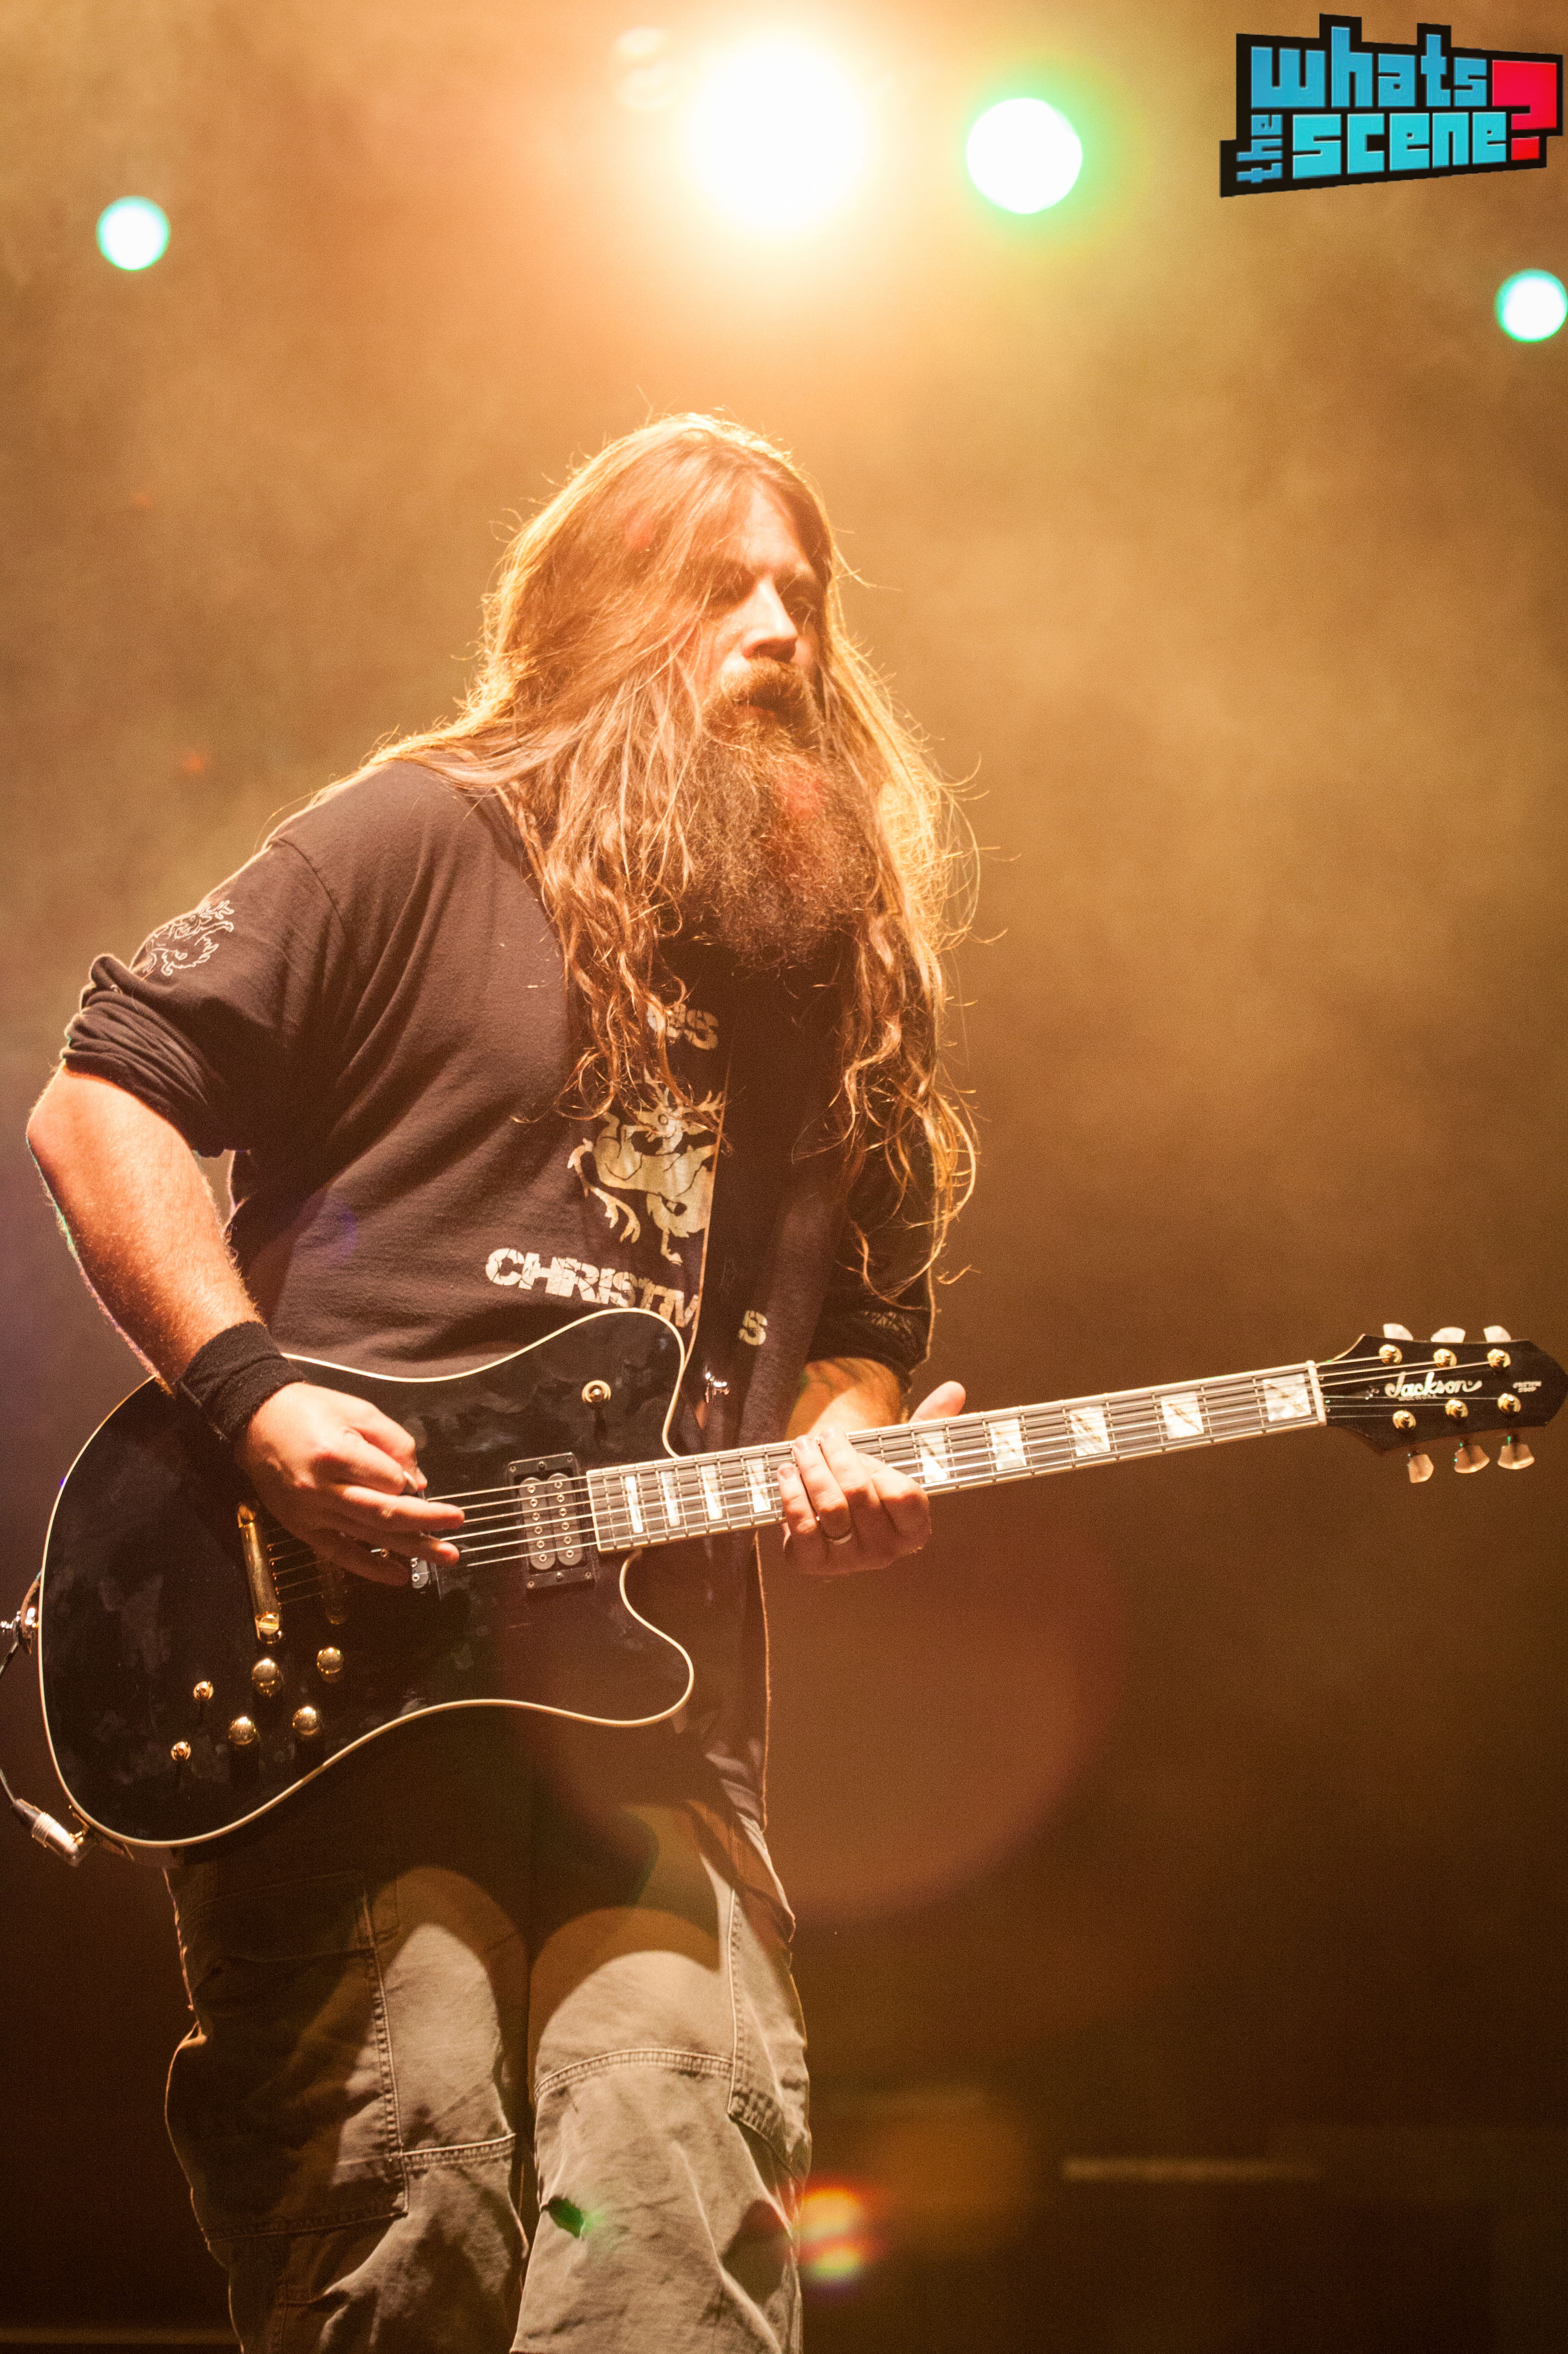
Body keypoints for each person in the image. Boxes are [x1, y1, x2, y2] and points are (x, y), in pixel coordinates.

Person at [27, 415, 973, 2353]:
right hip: (343, 1688)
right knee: (412, 2196)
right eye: (722, 587)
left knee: (674, 2231)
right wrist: (254, 1397)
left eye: (802, 591)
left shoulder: (834, 970)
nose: (782, 629)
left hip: (661, 1722)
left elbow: (864, 1329)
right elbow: (102, 1100)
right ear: (600, 617)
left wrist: (848, 1447)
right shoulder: (418, 839)